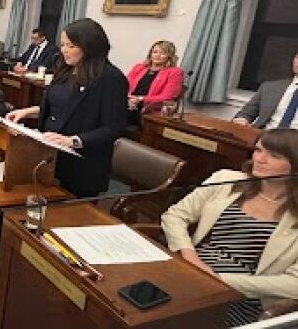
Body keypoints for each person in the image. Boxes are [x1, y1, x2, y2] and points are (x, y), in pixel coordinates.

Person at [161, 129, 298, 327]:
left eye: (274, 155)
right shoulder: (225, 180)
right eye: (258, 150)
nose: (260, 159)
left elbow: (294, 284)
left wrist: (217, 280)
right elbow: (175, 215)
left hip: (241, 298)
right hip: (189, 272)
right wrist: (190, 256)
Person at [5, 18, 128, 198]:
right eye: (62, 45)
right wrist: (28, 111)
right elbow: (64, 105)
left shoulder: (111, 78)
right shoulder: (65, 69)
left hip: (81, 166)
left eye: (70, 46)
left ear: (89, 46)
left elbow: (114, 127)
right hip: (49, 156)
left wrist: (73, 141)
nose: (64, 51)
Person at [233, 52, 298, 129]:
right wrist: (242, 120)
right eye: (297, 57)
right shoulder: (269, 87)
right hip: (263, 136)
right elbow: (246, 114)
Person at [125, 40, 184, 125]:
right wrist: (128, 97)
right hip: (129, 103)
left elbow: (167, 97)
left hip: (148, 109)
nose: (158, 56)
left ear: (169, 56)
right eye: (155, 52)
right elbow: (124, 85)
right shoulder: (139, 67)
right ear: (150, 54)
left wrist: (140, 99)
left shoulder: (175, 72)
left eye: (163, 53)